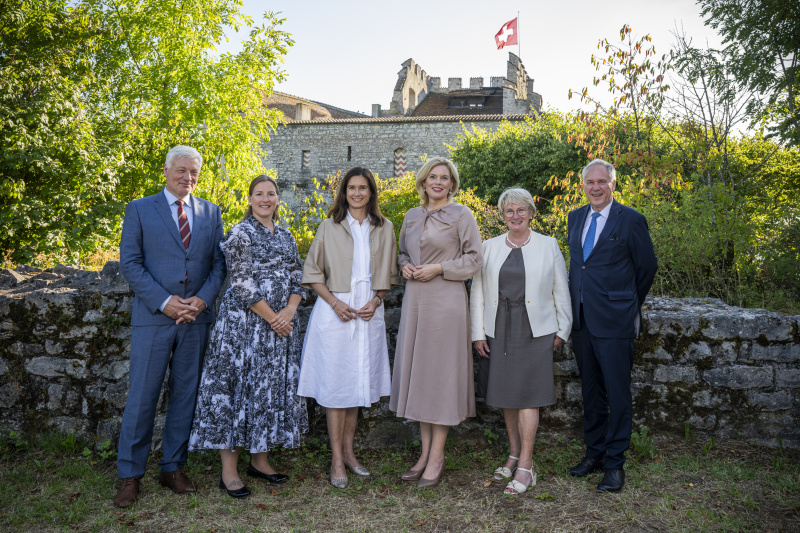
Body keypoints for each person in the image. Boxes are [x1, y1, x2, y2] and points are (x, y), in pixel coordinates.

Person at [115, 145, 227, 508]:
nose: (187, 178)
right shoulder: (140, 209)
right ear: (166, 170)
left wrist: (202, 300)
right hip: (154, 318)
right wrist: (165, 302)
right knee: (142, 398)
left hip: (196, 319)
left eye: (193, 172)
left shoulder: (211, 213)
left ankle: (173, 468)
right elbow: (130, 263)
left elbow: (218, 267)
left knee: (186, 396)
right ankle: (130, 476)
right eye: (181, 170)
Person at [188, 175, 308, 499]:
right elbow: (240, 283)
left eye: (271, 194)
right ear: (250, 199)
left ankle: (260, 460)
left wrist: (290, 312)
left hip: (279, 326)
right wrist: (273, 318)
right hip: (244, 327)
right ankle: (229, 472)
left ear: (278, 199)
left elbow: (298, 275)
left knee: (267, 390)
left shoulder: (286, 235)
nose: (265, 199)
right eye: (259, 194)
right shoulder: (240, 233)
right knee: (238, 389)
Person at [298, 167, 399, 489]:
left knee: (357, 385)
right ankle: (337, 459)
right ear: (344, 192)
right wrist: (335, 303)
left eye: (363, 188)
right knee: (335, 386)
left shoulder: (385, 228)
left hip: (368, 312)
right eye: (352, 188)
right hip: (335, 311)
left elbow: (390, 275)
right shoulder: (329, 226)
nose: (357, 193)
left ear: (371, 192)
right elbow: (312, 272)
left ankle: (350, 453)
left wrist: (377, 300)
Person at [470, 188, 572, 495]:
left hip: (536, 330)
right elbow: (476, 292)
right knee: (506, 393)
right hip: (498, 329)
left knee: (528, 395)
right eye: (509, 211)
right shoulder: (488, 247)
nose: (515, 216)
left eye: (521, 210)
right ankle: (514, 454)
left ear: (531, 212)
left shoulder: (548, 245)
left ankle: (526, 466)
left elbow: (560, 289)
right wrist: (477, 332)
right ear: (503, 215)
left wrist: (562, 329)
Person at [390, 157, 483, 489]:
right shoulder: (412, 215)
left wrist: (439, 268)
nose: (439, 182)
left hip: (446, 301)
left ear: (452, 184)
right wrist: (404, 267)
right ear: (423, 182)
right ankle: (424, 454)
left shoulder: (462, 215)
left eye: (445, 178)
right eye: (433, 177)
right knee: (423, 377)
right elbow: (401, 253)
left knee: (440, 378)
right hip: (416, 300)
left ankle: (438, 456)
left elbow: (474, 258)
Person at [566, 158, 657, 493]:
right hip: (582, 321)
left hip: (616, 322)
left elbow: (646, 267)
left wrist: (626, 303)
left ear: (613, 184)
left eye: (602, 181)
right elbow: (580, 267)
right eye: (590, 182)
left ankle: (615, 464)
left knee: (618, 395)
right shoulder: (575, 218)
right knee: (591, 393)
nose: (596, 187)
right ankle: (595, 454)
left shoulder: (631, 220)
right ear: (583, 186)